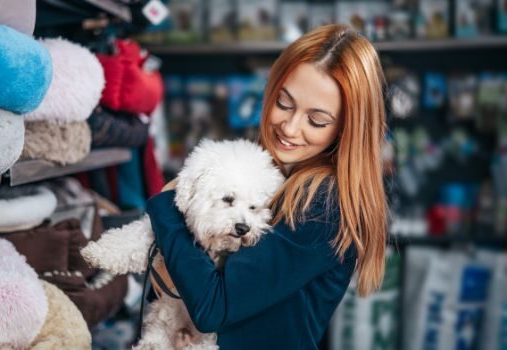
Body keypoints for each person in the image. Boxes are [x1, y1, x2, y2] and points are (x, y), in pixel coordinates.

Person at [144, 23, 388, 349]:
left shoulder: (324, 204)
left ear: (347, 129)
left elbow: (212, 307)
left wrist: (169, 203)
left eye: (316, 121)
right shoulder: (271, 174)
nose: (289, 127)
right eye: (284, 103)